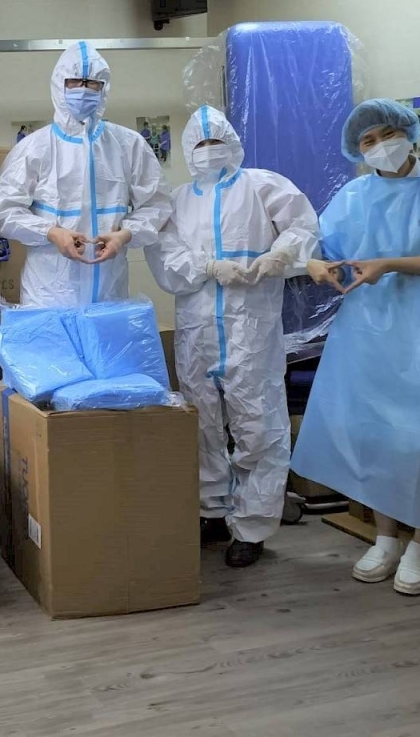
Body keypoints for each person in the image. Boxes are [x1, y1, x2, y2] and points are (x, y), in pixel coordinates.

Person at [292, 99, 420, 595]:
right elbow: (324, 249)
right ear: (357, 150)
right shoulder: (353, 196)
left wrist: (390, 263)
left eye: (388, 134)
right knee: (375, 433)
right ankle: (386, 538)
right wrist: (314, 263)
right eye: (368, 140)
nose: (380, 145)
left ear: (409, 135)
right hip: (368, 328)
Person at [147, 107, 319, 567]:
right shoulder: (178, 201)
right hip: (197, 329)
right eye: (200, 145)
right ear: (188, 152)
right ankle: (212, 510)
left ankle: (252, 525)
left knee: (258, 425)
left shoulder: (263, 185)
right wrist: (207, 266)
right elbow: (164, 255)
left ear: (233, 144)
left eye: (216, 142)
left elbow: (303, 226)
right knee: (202, 424)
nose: (209, 152)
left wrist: (280, 255)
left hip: (252, 328)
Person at [0, 41, 171, 305]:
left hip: (109, 289)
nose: (83, 90)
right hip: (48, 294)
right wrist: (51, 232)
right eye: (74, 82)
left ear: (103, 89)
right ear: (59, 85)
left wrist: (124, 235)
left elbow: (157, 204)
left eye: (92, 83)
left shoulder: (128, 145)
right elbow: (4, 212)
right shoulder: (34, 148)